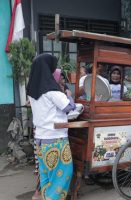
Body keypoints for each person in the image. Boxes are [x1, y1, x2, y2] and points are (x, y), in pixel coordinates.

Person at [26, 53, 75, 200]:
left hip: (40, 140)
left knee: (46, 177)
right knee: (62, 176)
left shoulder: (32, 92)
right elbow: (69, 107)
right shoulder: (52, 91)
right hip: (56, 140)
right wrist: (69, 95)